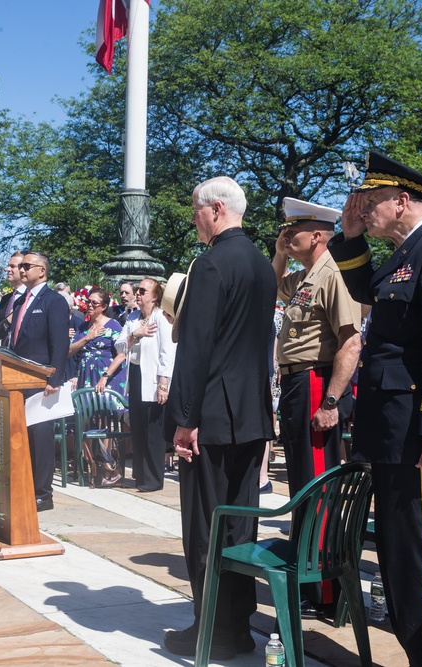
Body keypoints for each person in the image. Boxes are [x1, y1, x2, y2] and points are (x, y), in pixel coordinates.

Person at [327, 151, 422, 667]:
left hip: (421, 439)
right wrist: (349, 237)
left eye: (371, 202)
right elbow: (367, 289)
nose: (364, 209)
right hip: (395, 436)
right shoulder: (406, 255)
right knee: (397, 566)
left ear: (403, 199)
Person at [162, 177, 274, 660]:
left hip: (210, 416)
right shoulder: (263, 266)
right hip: (250, 415)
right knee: (240, 526)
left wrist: (184, 418)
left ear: (215, 210)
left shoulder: (211, 265)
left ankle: (210, 628)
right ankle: (237, 626)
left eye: (195, 211)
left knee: (204, 527)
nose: (193, 220)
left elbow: (196, 348)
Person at [272, 197, 362, 616]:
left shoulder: (334, 275)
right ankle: (309, 579)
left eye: (296, 231)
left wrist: (332, 401)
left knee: (317, 487)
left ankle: (325, 592)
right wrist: (278, 252)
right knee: (301, 485)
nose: (289, 236)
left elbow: (350, 341)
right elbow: (269, 290)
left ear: (319, 235)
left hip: (314, 382)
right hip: (294, 382)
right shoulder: (306, 275)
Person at [8, 250, 70, 511]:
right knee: (24, 436)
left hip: (42, 379)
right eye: (20, 265)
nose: (22, 269)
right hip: (18, 378)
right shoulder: (22, 300)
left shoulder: (53, 300)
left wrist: (54, 377)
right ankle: (25, 485)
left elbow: (60, 341)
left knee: (41, 437)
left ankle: (43, 493)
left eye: (26, 265)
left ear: (42, 271)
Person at [108, 278, 175, 492]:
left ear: (154, 296)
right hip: (136, 375)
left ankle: (153, 478)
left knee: (153, 430)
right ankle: (140, 475)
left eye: (142, 291)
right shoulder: (134, 318)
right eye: (137, 290)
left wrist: (163, 383)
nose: (138, 294)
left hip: (154, 378)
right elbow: (119, 345)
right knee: (137, 426)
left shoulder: (161, 318)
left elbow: (167, 351)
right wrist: (134, 334)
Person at [69, 288, 126, 394]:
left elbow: (122, 354)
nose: (90, 305)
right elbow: (69, 352)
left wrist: (105, 377)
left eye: (94, 303)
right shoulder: (83, 326)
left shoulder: (113, 326)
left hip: (108, 378)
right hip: (86, 376)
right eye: (88, 302)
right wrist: (87, 338)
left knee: (106, 409)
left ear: (104, 307)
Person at [0, 251, 26, 345]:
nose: (8, 269)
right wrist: (7, 322)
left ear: (23, 270)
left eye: (13, 266)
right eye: (8, 266)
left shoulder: (31, 297)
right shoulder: (6, 299)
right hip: (5, 355)